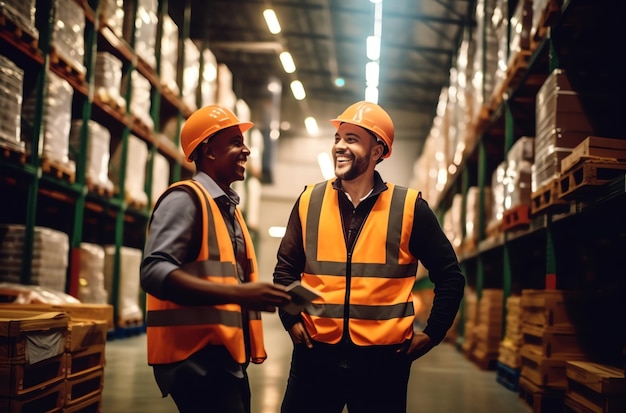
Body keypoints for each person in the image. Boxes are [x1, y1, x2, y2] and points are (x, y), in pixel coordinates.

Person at [273, 101, 466, 413]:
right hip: (315, 355)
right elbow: (286, 271)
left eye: (352, 139)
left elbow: (450, 276)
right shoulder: (309, 200)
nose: (340, 146)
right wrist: (292, 317)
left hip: (383, 363)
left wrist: (432, 334)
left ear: (378, 152)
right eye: (338, 138)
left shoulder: (409, 208)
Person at [140, 104, 291, 413]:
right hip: (195, 360)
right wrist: (239, 294)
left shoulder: (226, 209)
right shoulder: (185, 200)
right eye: (236, 142)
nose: (246, 150)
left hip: (222, 356)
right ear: (209, 151)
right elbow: (153, 270)